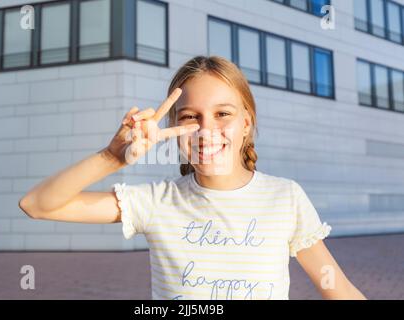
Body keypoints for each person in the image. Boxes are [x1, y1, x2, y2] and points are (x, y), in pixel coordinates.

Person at [19, 55, 366, 300]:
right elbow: (37, 205)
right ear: (173, 128)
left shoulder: (286, 198)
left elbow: (339, 290)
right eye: (191, 117)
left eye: (222, 114)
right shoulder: (156, 202)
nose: (206, 130)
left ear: (246, 123)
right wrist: (111, 157)